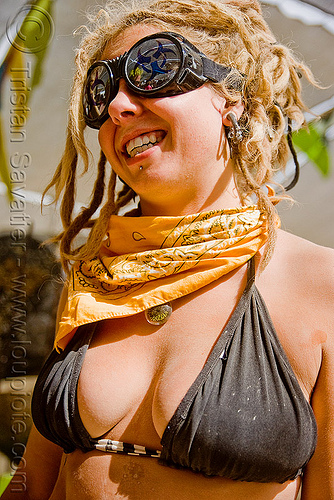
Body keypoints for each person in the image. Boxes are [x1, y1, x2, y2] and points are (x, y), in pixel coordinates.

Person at [3, 0, 334, 498]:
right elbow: (34, 481)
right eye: (101, 91)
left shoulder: (320, 285)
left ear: (232, 100)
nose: (117, 106)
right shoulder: (96, 278)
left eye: (154, 67)